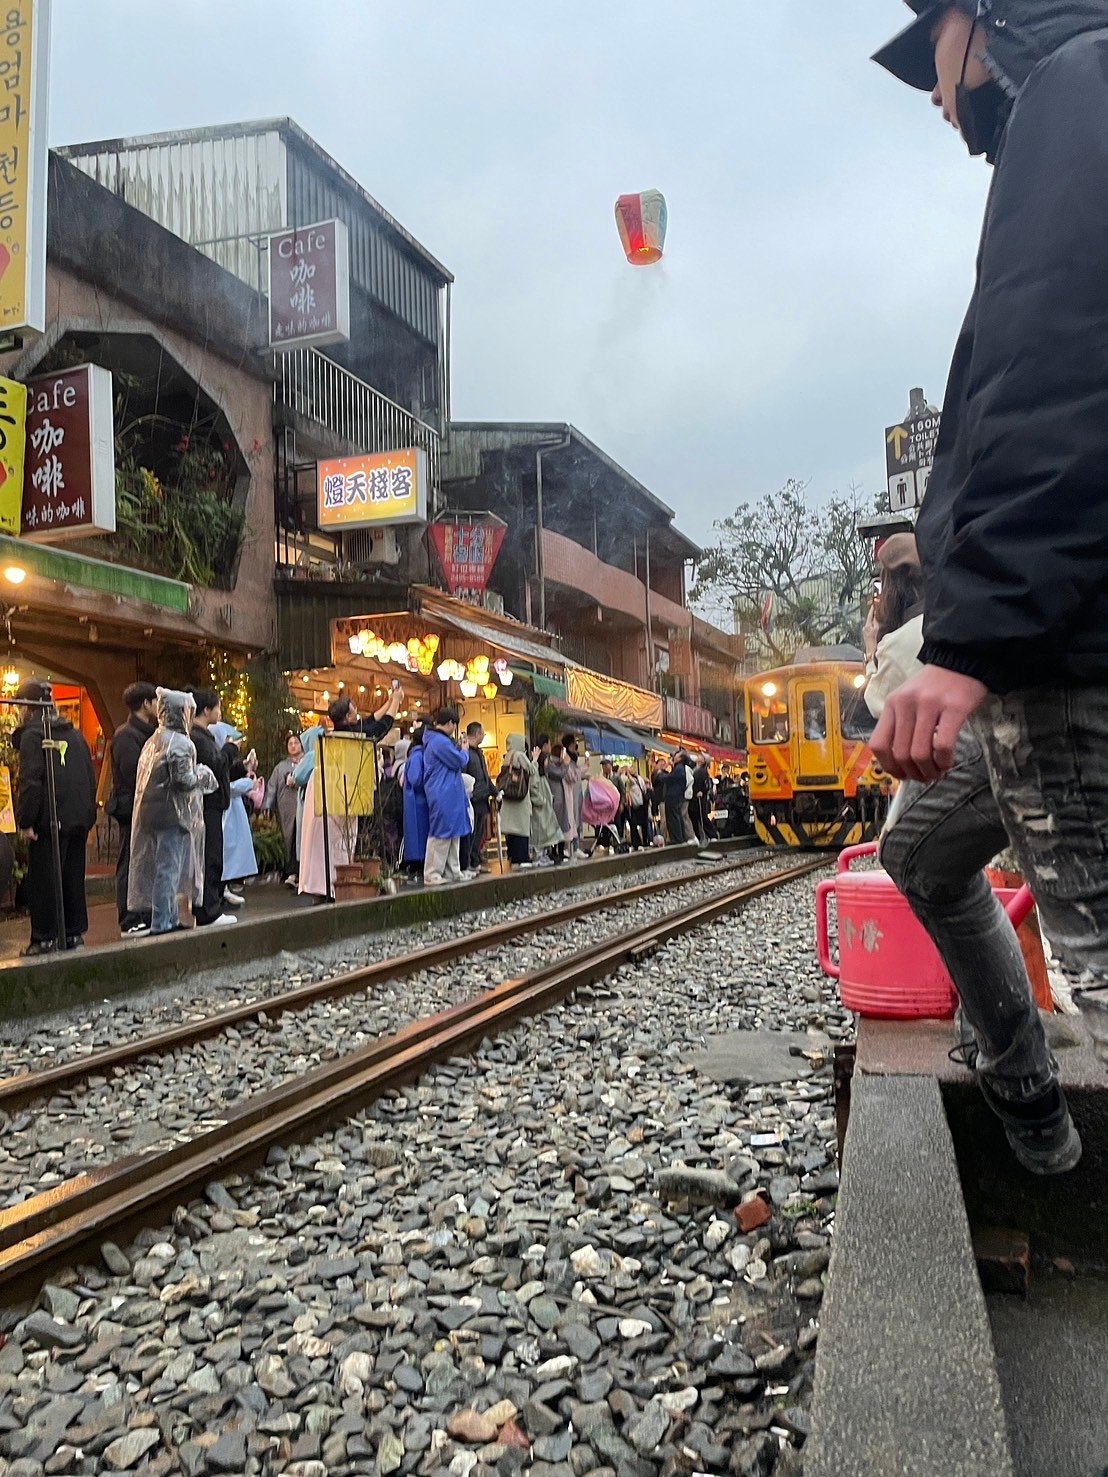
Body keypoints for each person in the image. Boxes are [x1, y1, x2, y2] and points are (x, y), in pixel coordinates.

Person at [873, 1, 1108, 1076]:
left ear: (981, 18)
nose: (934, 93)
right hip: (1045, 624)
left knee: (1099, 968)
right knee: (917, 848)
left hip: (1056, 650)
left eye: (931, 53)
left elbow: (1051, 381)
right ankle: (1022, 1090)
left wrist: (967, 645)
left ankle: (1028, 1101)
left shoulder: (1073, 91)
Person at [867, 535, 1082, 1172]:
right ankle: (1024, 1086)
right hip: (1037, 649)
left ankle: (1026, 1088)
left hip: (1036, 673)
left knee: (917, 854)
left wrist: (951, 644)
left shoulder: (916, 628)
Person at [12, 680, 97, 955]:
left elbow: (31, 781)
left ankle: (45, 937)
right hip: (77, 818)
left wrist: (26, 821)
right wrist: (88, 816)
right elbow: (89, 777)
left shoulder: (33, 736)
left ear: (27, 708)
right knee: (72, 877)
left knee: (44, 880)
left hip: (48, 820)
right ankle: (73, 933)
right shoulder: (75, 735)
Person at [128, 689, 216, 937]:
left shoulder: (153, 740)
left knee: (162, 869)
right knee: (169, 870)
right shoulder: (180, 743)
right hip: (173, 817)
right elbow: (183, 780)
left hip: (151, 814)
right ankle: (163, 921)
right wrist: (202, 774)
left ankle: (165, 917)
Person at [107, 681, 158, 935]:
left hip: (148, 807)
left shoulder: (149, 733)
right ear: (146, 704)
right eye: (155, 701)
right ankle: (128, 917)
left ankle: (145, 912)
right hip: (131, 808)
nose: (159, 706)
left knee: (146, 861)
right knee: (129, 861)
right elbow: (133, 774)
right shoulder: (126, 735)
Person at [187, 688, 235, 929]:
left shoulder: (203, 736)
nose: (220, 712)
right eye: (218, 707)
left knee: (211, 856)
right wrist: (230, 749)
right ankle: (209, 911)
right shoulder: (198, 737)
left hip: (211, 805)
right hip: (207, 806)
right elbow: (216, 764)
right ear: (206, 710)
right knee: (210, 857)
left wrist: (240, 767)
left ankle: (208, 908)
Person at [422, 707, 470, 886]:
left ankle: (452, 871)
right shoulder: (439, 742)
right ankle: (432, 873)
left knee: (452, 834)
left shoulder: (437, 740)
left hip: (447, 793)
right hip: (443, 793)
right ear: (450, 723)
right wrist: (464, 751)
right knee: (441, 834)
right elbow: (459, 761)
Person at [213, 723, 258, 906]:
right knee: (224, 850)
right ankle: (219, 890)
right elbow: (222, 784)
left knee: (228, 850)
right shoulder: (213, 757)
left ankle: (223, 888)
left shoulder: (220, 758)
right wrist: (246, 784)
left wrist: (244, 768)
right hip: (224, 811)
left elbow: (228, 775)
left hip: (230, 809)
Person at [264, 732, 304, 886]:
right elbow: (272, 787)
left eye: (296, 743)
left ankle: (301, 873)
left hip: (304, 805)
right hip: (286, 807)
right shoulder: (280, 767)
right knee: (289, 838)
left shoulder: (307, 762)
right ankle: (291, 871)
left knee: (302, 838)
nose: (293, 746)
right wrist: (267, 805)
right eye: (290, 744)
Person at [497, 732, 538, 870]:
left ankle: (513, 857)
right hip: (520, 798)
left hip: (509, 797)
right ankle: (522, 858)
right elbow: (531, 770)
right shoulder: (519, 755)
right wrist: (534, 760)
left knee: (512, 830)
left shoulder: (508, 756)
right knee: (521, 828)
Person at [462, 722, 493, 873]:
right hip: (472, 798)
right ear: (477, 734)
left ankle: (475, 861)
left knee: (479, 833)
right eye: (482, 733)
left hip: (482, 797)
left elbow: (485, 777)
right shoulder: (465, 752)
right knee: (471, 833)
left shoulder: (478, 753)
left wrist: (494, 791)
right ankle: (468, 863)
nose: (483, 736)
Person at [547, 734, 584, 860]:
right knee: (559, 826)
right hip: (559, 799)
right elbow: (564, 774)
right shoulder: (554, 765)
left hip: (563, 799)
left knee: (563, 826)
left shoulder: (559, 764)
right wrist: (567, 764)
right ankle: (558, 851)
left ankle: (562, 851)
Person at [401, 724, 430, 880]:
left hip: (416, 802)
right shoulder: (418, 756)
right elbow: (415, 778)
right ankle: (417, 863)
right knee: (419, 835)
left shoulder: (416, 755)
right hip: (418, 803)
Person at [530, 743, 564, 866]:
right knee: (540, 834)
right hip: (540, 809)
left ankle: (543, 855)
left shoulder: (543, 775)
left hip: (545, 809)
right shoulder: (536, 774)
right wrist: (542, 801)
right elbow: (533, 789)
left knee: (546, 833)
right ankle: (538, 857)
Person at [664, 751, 692, 845]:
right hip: (677, 795)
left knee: (674, 817)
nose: (674, 757)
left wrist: (661, 775)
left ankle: (677, 839)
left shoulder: (679, 768)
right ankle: (679, 838)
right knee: (677, 816)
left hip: (674, 796)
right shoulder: (679, 767)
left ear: (680, 758)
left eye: (676, 755)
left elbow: (671, 778)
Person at [623, 766, 652, 850]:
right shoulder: (628, 780)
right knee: (634, 824)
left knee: (644, 823)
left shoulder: (639, 778)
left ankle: (645, 841)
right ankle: (638, 842)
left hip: (642, 803)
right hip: (633, 804)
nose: (632, 770)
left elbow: (644, 788)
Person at [690, 756, 715, 844]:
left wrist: (702, 791)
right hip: (693, 797)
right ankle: (697, 836)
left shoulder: (703, 772)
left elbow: (707, 785)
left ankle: (712, 835)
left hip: (699, 798)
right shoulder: (694, 769)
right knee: (694, 818)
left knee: (702, 817)